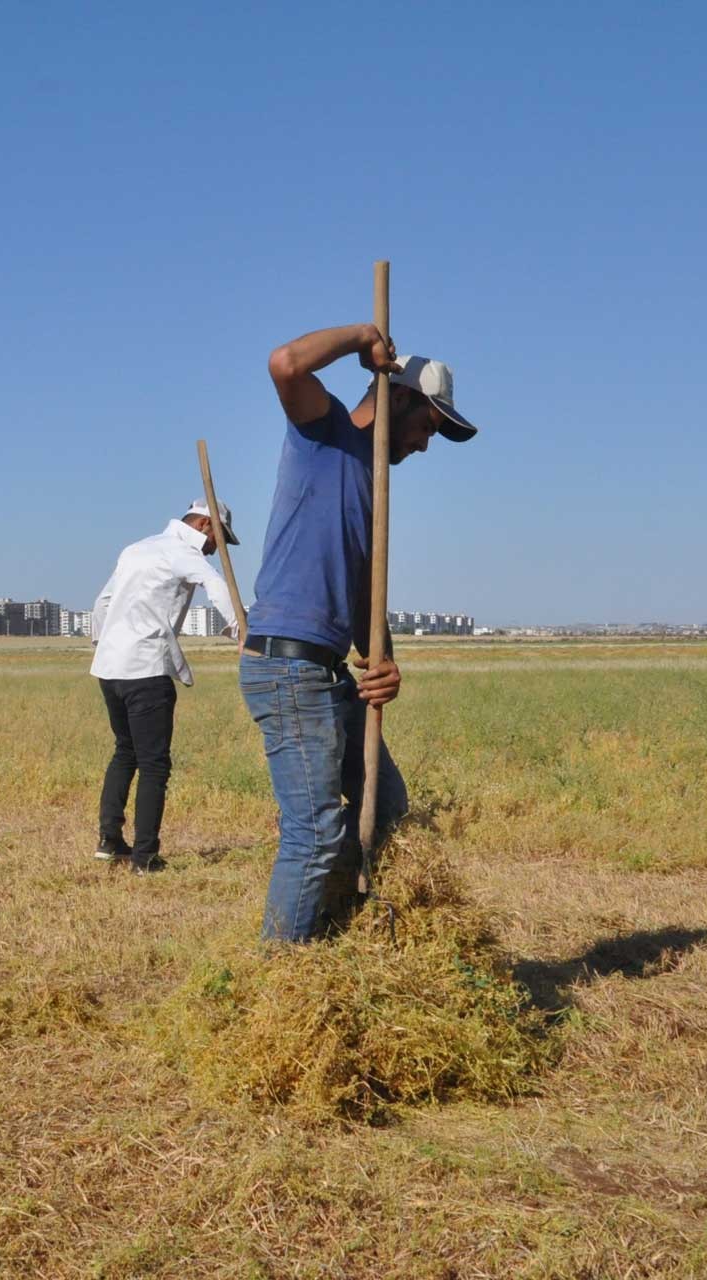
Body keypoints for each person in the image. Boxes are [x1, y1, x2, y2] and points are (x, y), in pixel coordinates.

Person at [243, 322, 479, 941]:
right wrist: (360, 338)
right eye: (428, 425)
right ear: (398, 395)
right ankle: (280, 986)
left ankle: (332, 931)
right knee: (315, 834)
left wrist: (385, 662)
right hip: (289, 665)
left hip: (327, 671)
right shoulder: (326, 433)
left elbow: (365, 594)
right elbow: (285, 362)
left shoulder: (374, 487)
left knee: (389, 806)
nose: (427, 445)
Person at [89, 499, 241, 874]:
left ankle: (110, 842)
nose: (217, 549)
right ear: (206, 525)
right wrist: (241, 631)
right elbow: (217, 586)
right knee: (155, 764)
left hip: (110, 669)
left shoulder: (136, 549)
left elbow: (102, 602)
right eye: (219, 540)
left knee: (125, 752)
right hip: (146, 670)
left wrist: (106, 644)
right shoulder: (184, 554)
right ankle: (144, 857)